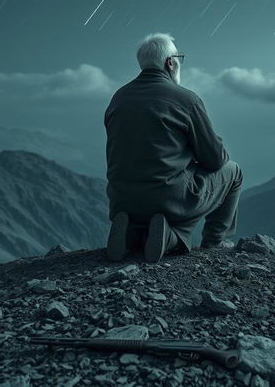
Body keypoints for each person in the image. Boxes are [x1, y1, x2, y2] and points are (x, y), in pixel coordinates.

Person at [104, 32, 243, 263]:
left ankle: (132, 234)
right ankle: (209, 241)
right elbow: (215, 160)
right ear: (170, 62)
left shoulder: (118, 98)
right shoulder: (185, 99)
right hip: (169, 200)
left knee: (151, 191)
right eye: (179, 57)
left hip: (122, 200)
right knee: (234, 171)